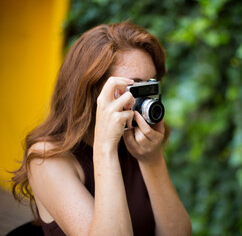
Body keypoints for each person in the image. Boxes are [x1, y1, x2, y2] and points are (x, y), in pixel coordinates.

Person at [11, 22, 192, 236]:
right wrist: (105, 148)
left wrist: (152, 160)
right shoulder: (47, 157)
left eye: (150, 85)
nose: (143, 99)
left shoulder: (135, 140)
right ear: (89, 90)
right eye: (133, 87)